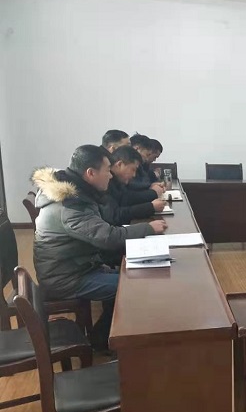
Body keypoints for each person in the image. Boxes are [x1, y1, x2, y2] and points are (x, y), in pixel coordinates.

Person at [32, 145, 168, 350]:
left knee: (133, 274)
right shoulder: (70, 205)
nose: (111, 176)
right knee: (133, 286)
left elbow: (104, 228)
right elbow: (107, 237)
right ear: (90, 173)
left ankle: (105, 337)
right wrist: (147, 228)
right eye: (107, 170)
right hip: (67, 278)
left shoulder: (77, 194)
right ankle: (105, 342)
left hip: (78, 266)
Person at [101, 146, 167, 226]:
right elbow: (115, 215)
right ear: (120, 164)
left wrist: (150, 188)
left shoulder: (117, 181)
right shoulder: (105, 182)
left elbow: (126, 199)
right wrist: (150, 207)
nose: (134, 175)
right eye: (133, 169)